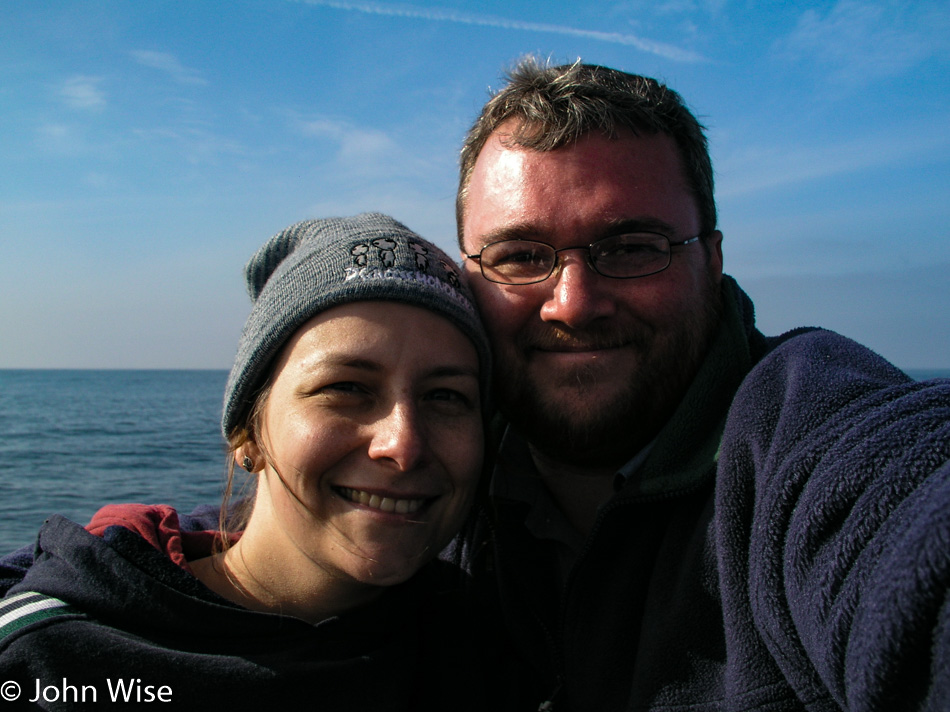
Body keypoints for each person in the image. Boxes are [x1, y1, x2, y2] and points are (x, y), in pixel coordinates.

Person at [453, 58, 950, 711]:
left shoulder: (799, 427)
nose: (572, 304)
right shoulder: (429, 474)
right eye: (520, 257)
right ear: (466, 276)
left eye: (632, 247)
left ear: (710, 260)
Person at [0, 213, 501, 710]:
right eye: (345, 388)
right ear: (247, 432)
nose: (403, 443)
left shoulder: (494, 636)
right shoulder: (54, 656)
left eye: (446, 397)